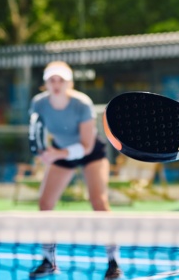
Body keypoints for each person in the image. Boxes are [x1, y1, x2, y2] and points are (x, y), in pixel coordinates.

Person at [28, 61, 122, 279]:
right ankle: (49, 260)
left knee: (98, 202)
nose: (56, 84)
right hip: (61, 151)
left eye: (61, 80)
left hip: (91, 152)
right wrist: (44, 152)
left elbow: (86, 146)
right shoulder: (38, 104)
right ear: (45, 84)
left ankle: (113, 261)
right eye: (52, 80)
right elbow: (37, 134)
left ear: (69, 83)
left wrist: (56, 154)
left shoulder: (82, 104)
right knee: (45, 204)